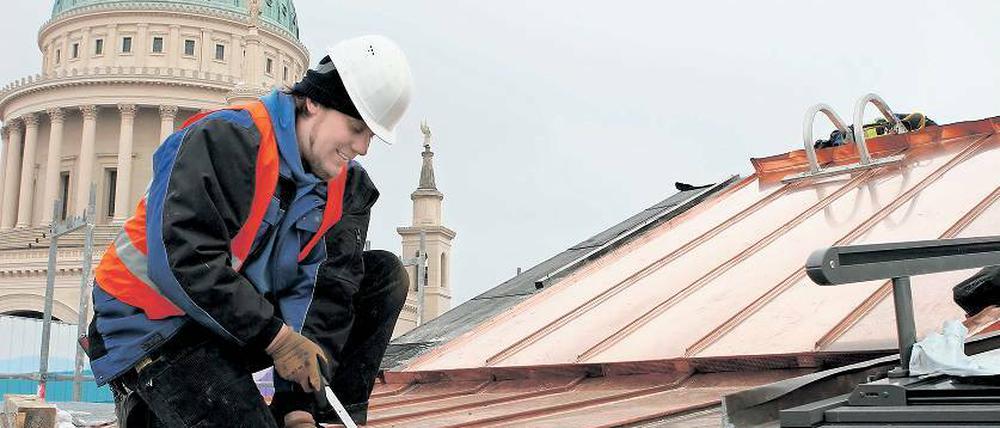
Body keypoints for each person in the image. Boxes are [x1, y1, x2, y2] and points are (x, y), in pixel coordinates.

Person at [82, 35, 413, 427]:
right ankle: (149, 403)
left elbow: (327, 295)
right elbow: (185, 262)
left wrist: (300, 408)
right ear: (314, 102)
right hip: (153, 322)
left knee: (382, 276)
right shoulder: (226, 139)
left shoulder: (347, 186)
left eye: (370, 136)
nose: (361, 147)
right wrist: (277, 340)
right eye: (356, 128)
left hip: (237, 322)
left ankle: (329, 415)